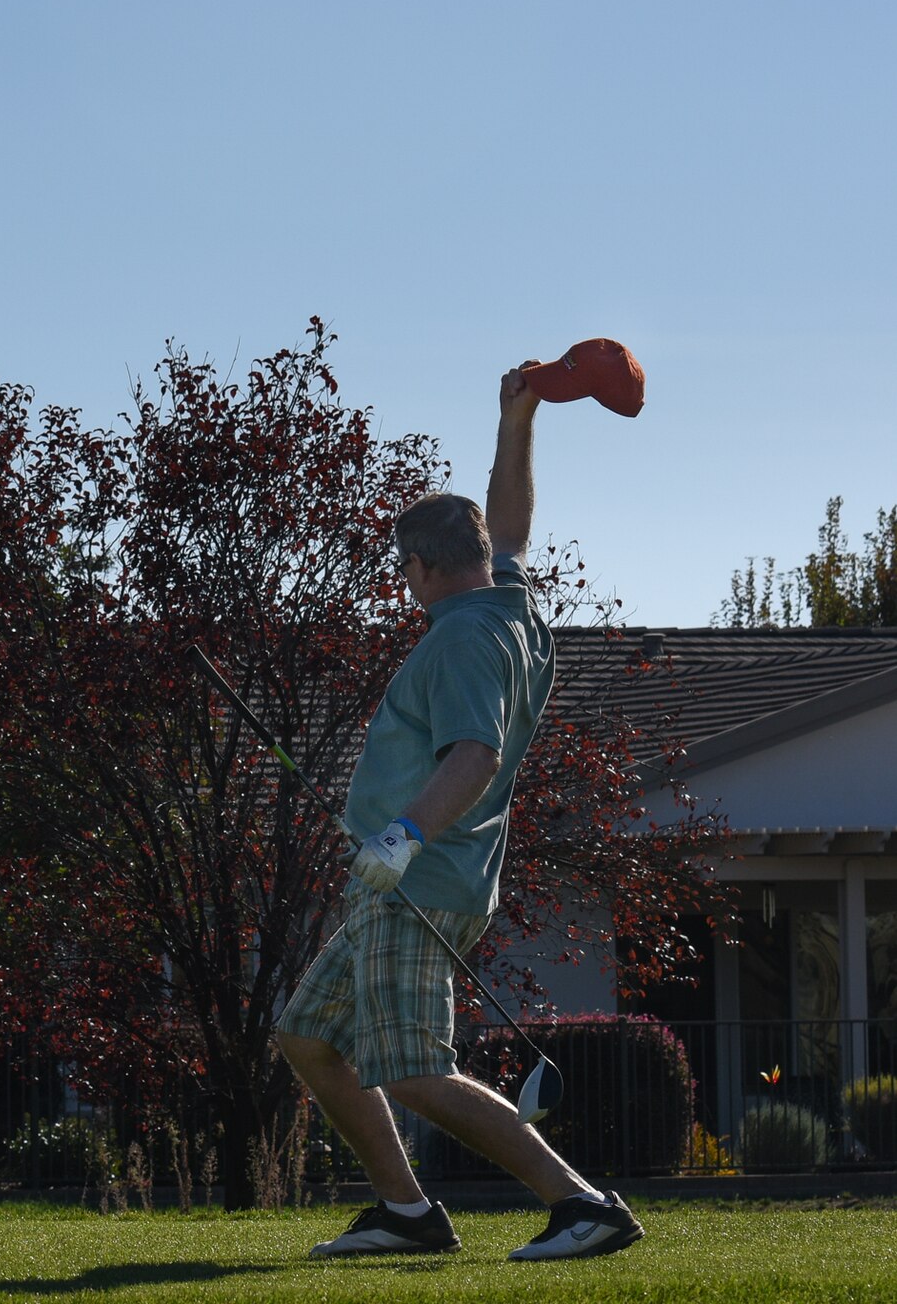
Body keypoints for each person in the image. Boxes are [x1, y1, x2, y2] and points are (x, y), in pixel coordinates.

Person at [276, 364, 644, 1262]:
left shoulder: (463, 641)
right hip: (402, 879)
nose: (400, 580)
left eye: (402, 565)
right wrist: (515, 421)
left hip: (417, 877)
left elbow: (472, 758)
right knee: (306, 1037)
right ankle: (406, 1214)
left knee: (409, 1068)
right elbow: (508, 518)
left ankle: (583, 1206)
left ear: (426, 565)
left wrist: (401, 838)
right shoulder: (507, 599)